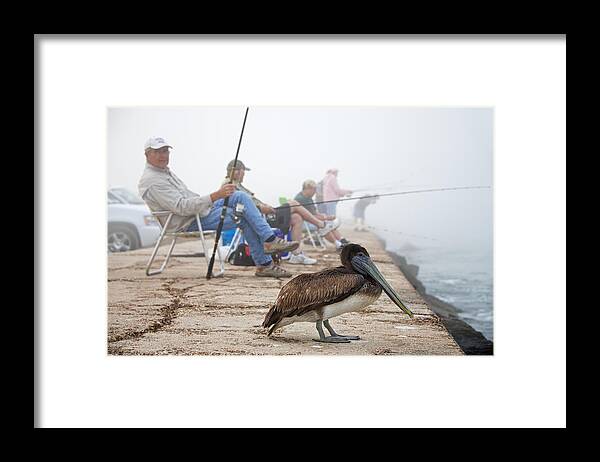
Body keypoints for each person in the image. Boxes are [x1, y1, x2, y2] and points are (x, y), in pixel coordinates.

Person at [137, 137, 299, 278]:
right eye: (158, 151)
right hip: (188, 221)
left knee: (240, 197)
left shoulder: (164, 172)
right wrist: (215, 196)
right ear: (147, 154)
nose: (163, 155)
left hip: (199, 212)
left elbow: (188, 198)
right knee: (242, 214)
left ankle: (270, 242)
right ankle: (265, 260)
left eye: (165, 151)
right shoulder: (153, 181)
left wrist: (213, 199)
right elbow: (182, 207)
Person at [222, 160, 339, 265]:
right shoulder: (229, 186)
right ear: (236, 172)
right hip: (259, 218)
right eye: (243, 171)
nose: (244, 174)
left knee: (297, 218)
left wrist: (265, 206)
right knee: (293, 203)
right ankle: (321, 225)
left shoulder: (237, 186)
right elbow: (239, 206)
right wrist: (260, 207)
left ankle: (296, 254)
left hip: (265, 214)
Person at [294, 179, 350, 252]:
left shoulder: (308, 197)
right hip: (304, 223)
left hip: (311, 220)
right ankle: (338, 244)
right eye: (314, 190)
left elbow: (314, 212)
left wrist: (323, 216)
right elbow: (308, 216)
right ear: (308, 189)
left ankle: (341, 241)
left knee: (328, 224)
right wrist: (326, 217)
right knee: (324, 225)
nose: (315, 192)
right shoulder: (300, 199)